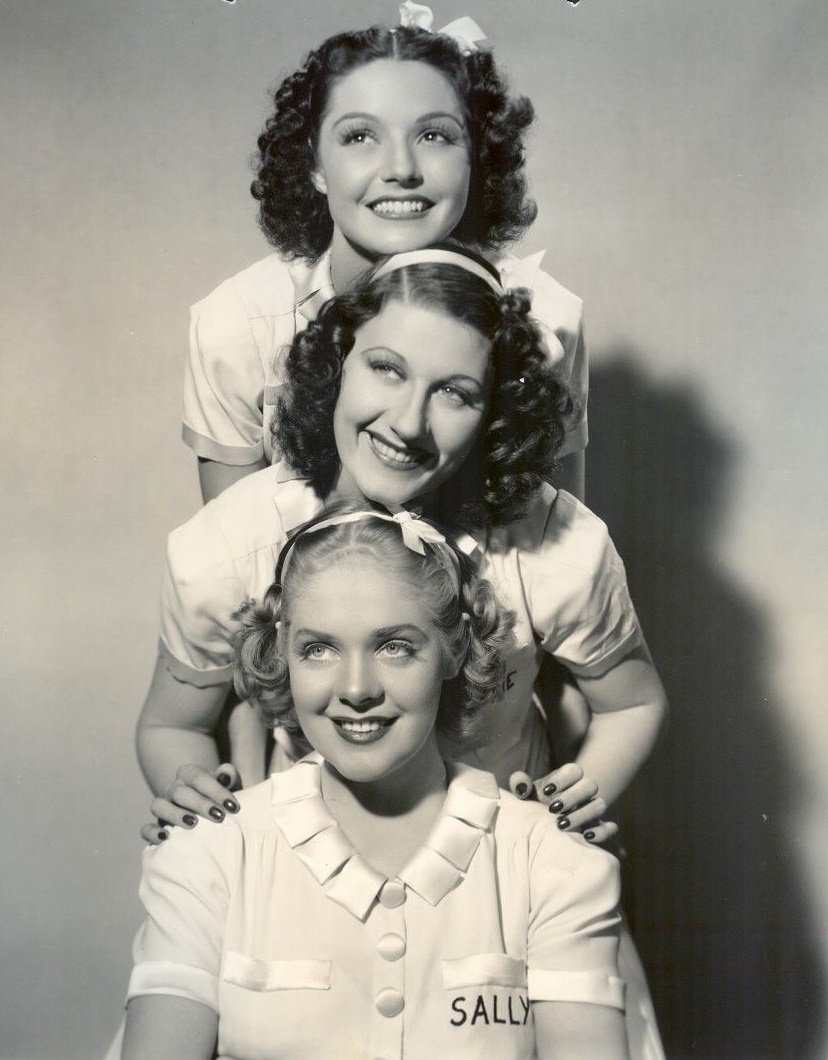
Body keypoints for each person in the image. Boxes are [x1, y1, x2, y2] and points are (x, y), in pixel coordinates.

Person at [122, 506, 628, 1060]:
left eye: (394, 646)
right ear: (282, 652)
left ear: (454, 649)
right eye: (319, 649)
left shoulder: (552, 861)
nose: (356, 688)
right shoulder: (207, 852)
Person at [183, 4, 588, 505]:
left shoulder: (548, 320)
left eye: (434, 135)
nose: (401, 168)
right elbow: (229, 560)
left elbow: (558, 546)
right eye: (359, 136)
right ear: (314, 164)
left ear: (475, 158)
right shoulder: (236, 327)